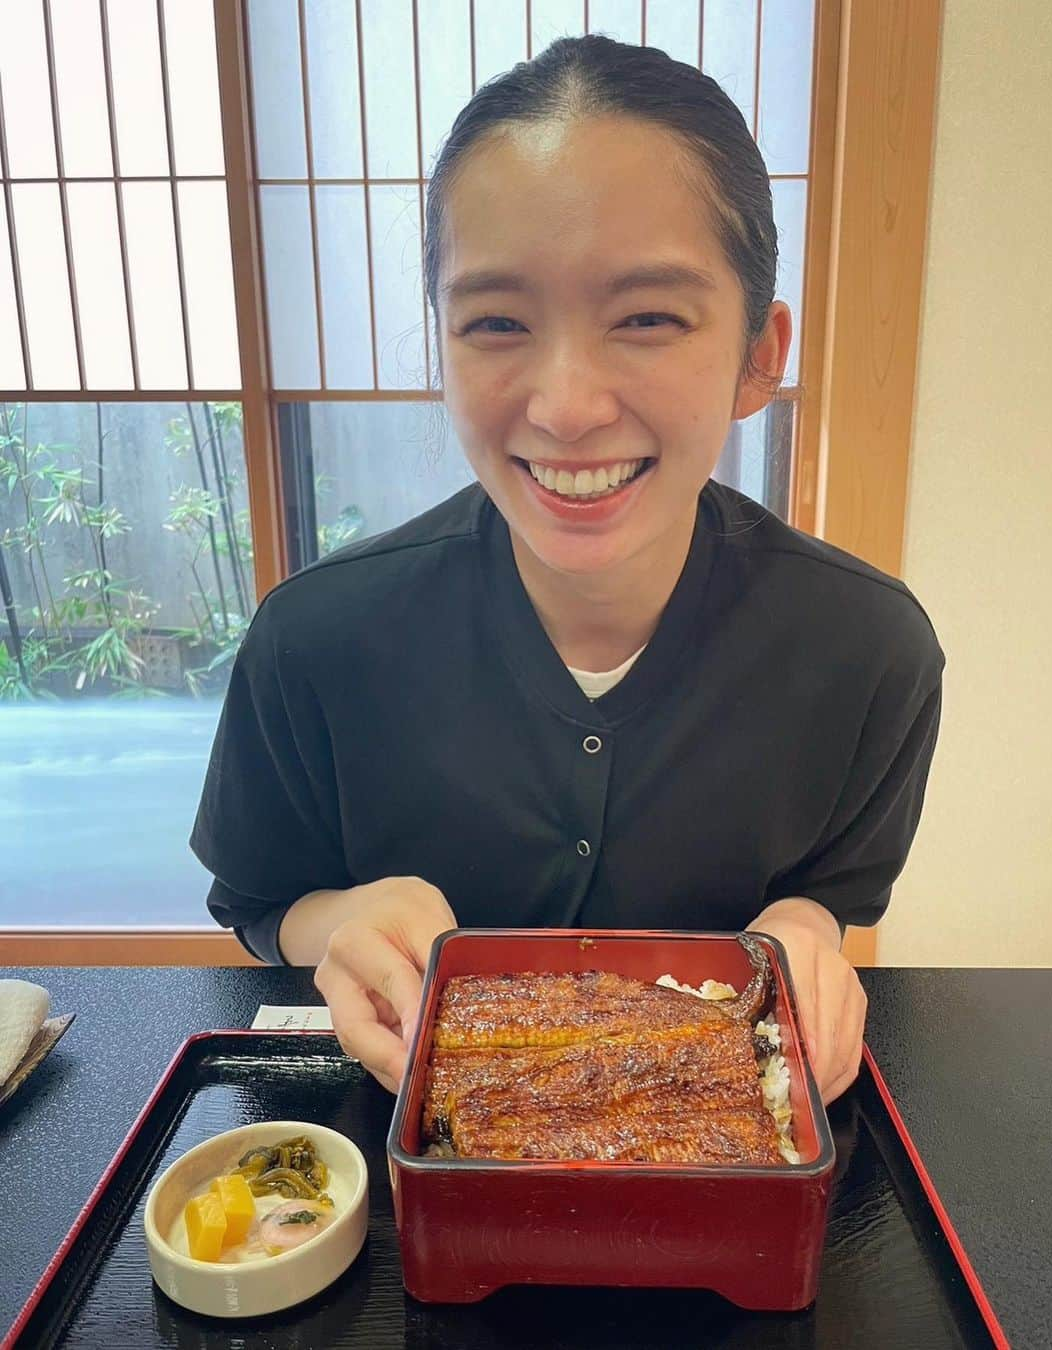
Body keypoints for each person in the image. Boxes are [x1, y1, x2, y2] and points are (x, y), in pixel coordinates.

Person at [192, 36, 943, 1107]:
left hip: (722, 1148)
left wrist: (802, 932)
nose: (566, 406)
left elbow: (833, 890)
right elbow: (259, 900)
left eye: (647, 318)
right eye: (497, 322)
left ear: (758, 357)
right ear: (441, 348)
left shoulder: (871, 650)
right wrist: (339, 922)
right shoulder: (314, 639)